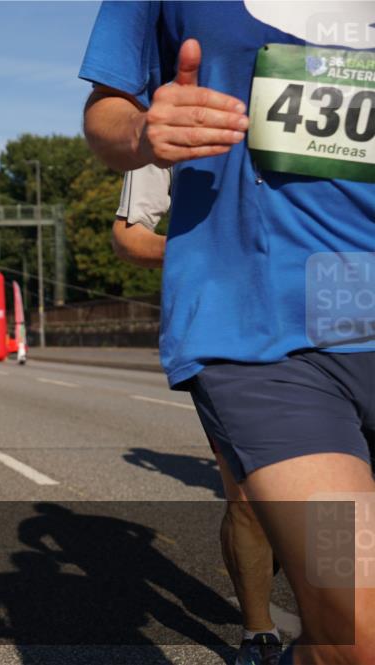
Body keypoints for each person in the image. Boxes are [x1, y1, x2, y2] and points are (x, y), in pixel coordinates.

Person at [80, 5, 374, 664]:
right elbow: (111, 125)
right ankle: (259, 625)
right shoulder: (189, 93)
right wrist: (146, 136)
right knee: (355, 619)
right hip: (267, 319)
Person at [115, 163, 282, 665]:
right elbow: (129, 235)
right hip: (231, 325)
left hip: (338, 312)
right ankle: (259, 635)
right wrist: (196, 252)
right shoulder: (177, 105)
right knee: (248, 493)